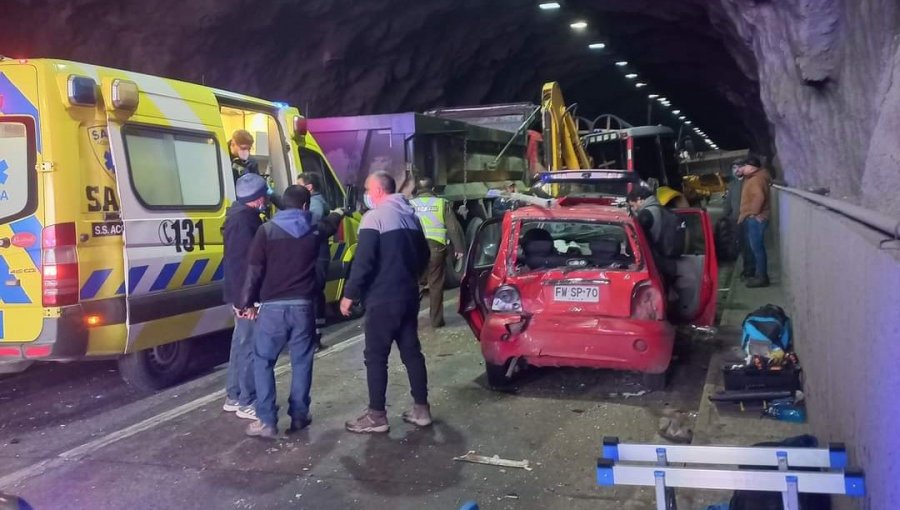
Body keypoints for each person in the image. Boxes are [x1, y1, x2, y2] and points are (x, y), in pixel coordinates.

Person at [238, 185, 344, 438]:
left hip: (272, 308)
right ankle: (299, 415)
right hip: (303, 307)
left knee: (263, 361)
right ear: (306, 206)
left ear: (283, 205)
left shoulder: (266, 231)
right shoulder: (314, 229)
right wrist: (340, 212)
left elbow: (254, 270)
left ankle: (266, 420)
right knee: (301, 361)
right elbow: (329, 224)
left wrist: (246, 303)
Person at [340, 171, 431, 434]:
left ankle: (376, 416)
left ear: (378, 190)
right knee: (411, 352)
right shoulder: (411, 217)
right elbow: (424, 254)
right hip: (408, 296)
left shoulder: (374, 218)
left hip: (382, 298)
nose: (366, 194)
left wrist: (349, 295)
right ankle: (421, 410)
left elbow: (364, 261)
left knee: (376, 356)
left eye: (368, 188)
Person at [222, 173, 267, 420]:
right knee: (248, 346)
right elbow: (244, 264)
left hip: (240, 292)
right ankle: (247, 400)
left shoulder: (237, 215)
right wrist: (246, 301)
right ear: (257, 198)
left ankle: (234, 394)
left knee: (240, 343)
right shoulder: (245, 222)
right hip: (245, 294)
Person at [409, 177, 465, 328]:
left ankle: (408, 320)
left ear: (417, 190)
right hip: (436, 248)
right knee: (435, 284)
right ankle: (436, 321)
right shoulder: (441, 203)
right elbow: (452, 227)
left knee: (414, 284)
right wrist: (459, 248)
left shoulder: (410, 204)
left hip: (414, 248)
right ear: (433, 189)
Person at [297, 172, 332, 350]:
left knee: (314, 293)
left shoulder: (315, 203)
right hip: (317, 252)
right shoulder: (314, 201)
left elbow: (312, 222)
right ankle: (314, 337)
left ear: (309, 187)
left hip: (318, 253)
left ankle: (315, 338)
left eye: (299, 184)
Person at [626, 186, 676, 283]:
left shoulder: (645, 215)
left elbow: (637, 241)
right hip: (670, 262)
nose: (634, 210)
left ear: (639, 199)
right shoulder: (665, 211)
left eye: (633, 205)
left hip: (654, 264)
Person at [736, 155, 773, 288]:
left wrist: (754, 213)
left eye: (744, 166)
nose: (742, 168)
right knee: (757, 248)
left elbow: (759, 196)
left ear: (751, 168)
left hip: (756, 219)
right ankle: (760, 274)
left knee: (757, 248)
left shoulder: (755, 180)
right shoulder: (754, 177)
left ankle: (762, 277)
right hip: (756, 217)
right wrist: (741, 173)